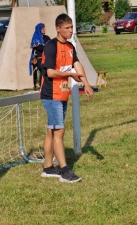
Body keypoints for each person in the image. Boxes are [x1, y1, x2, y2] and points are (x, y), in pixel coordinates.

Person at [40, 13, 94, 183]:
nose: (71, 31)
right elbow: (50, 72)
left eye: (72, 28)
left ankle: (48, 168)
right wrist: (70, 74)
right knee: (59, 131)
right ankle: (64, 171)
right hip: (51, 95)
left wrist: (86, 83)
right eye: (67, 28)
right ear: (58, 29)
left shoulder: (70, 47)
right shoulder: (50, 46)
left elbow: (77, 65)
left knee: (52, 130)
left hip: (62, 94)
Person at [29, 23, 50, 89]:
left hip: (47, 58)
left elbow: (51, 45)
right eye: (43, 28)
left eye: (44, 28)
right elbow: (40, 48)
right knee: (41, 69)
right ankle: (39, 84)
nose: (45, 29)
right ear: (39, 30)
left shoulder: (47, 37)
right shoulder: (35, 39)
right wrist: (46, 46)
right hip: (40, 59)